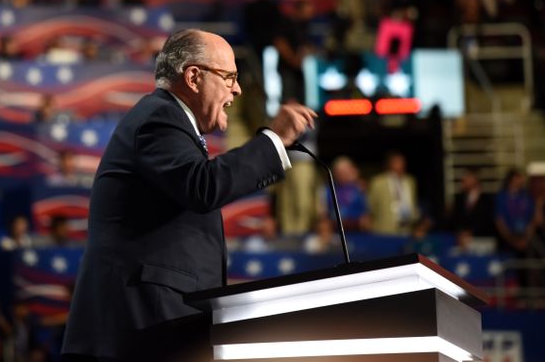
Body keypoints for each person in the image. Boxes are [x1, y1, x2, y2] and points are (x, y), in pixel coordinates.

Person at [61, 29, 316, 362]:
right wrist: (271, 141)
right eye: (229, 77)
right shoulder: (159, 116)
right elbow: (203, 187)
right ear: (194, 77)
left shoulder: (169, 121)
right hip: (138, 329)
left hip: (154, 327)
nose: (237, 89)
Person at [367, 151, 419, 235]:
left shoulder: (410, 181)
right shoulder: (378, 182)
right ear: (389, 164)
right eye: (396, 162)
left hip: (407, 229)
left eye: (402, 162)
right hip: (385, 229)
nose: (400, 165)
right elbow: (370, 206)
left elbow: (413, 203)